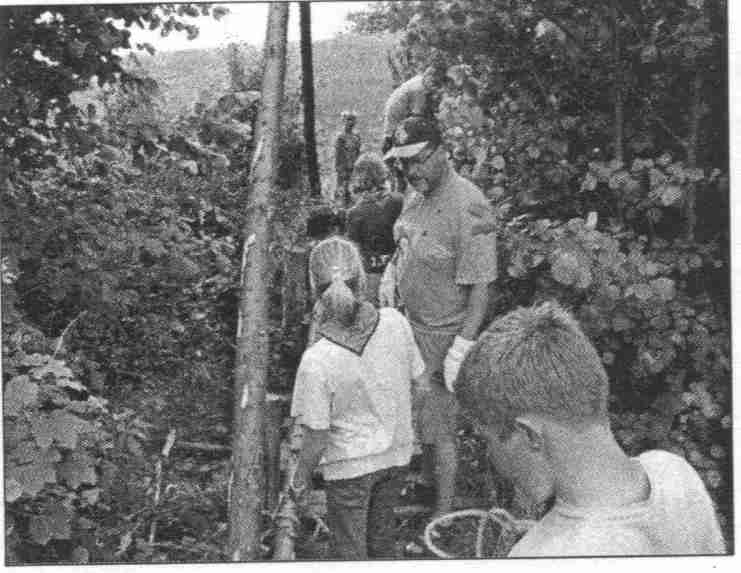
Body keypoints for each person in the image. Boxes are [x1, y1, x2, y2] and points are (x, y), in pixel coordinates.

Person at [455, 301, 726, 556]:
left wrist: (544, 540)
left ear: (527, 434)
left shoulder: (539, 556)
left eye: (487, 440)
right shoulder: (674, 473)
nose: (492, 457)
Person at [381, 116, 498, 517]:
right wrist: (392, 273)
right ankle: (426, 482)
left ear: (442, 152)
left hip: (444, 334)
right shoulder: (415, 195)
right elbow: (406, 242)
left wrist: (461, 348)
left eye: (419, 160)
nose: (411, 170)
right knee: (424, 417)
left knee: (442, 428)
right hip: (412, 325)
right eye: (404, 162)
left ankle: (442, 515)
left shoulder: (470, 205)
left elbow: (481, 288)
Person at [289, 236, 428, 560]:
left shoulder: (316, 360)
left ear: (314, 290)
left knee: (349, 553)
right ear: (363, 280)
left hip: (349, 468)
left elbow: (316, 437)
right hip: (396, 457)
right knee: (382, 542)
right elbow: (421, 386)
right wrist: (402, 426)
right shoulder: (396, 323)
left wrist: (300, 481)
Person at [382, 53, 448, 194]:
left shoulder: (420, 82)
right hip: (397, 124)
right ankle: (401, 184)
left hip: (398, 121)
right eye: (434, 82)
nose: (435, 86)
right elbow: (418, 117)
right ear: (428, 75)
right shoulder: (419, 90)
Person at [346, 153, 404, 306]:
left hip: (372, 276)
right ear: (382, 173)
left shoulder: (355, 213)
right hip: (400, 271)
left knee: (375, 316)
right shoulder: (399, 201)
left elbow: (355, 254)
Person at [334, 111, 362, 207]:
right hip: (343, 165)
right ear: (344, 121)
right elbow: (338, 153)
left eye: (353, 120)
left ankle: (351, 205)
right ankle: (339, 205)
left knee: (353, 185)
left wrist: (358, 164)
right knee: (341, 186)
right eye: (349, 119)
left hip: (354, 164)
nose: (351, 122)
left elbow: (358, 151)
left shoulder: (356, 136)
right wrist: (339, 167)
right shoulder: (340, 137)